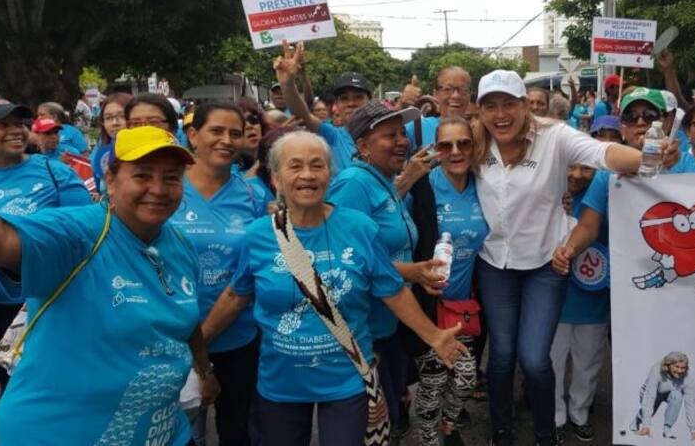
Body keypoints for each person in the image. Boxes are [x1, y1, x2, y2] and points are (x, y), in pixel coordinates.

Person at [200, 131, 466, 446]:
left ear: (329, 174)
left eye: (317, 165)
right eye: (295, 166)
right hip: (281, 381)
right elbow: (235, 296)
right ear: (276, 178)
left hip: (347, 378)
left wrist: (434, 335)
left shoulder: (360, 228)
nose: (308, 175)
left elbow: (392, 291)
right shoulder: (258, 235)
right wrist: (196, 347)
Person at [472, 71, 677, 446]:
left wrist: (647, 156)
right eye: (490, 106)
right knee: (501, 355)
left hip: (546, 265)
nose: (500, 115)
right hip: (495, 264)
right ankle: (500, 433)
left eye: (508, 104)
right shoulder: (474, 142)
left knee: (534, 358)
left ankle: (546, 434)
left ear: (524, 107)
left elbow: (603, 153)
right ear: (480, 111)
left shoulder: (555, 137)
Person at [0, 126, 219, 445]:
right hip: (61, 433)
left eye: (171, 177)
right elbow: (1, 241)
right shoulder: (78, 233)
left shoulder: (179, 243)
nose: (158, 189)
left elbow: (186, 317)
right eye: (142, 175)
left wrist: (204, 370)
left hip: (162, 432)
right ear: (110, 180)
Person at [326, 100, 450, 433]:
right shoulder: (353, 184)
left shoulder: (381, 181)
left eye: (401, 133)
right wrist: (413, 272)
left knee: (388, 416)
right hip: (364, 329)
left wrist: (415, 273)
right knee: (368, 424)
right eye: (389, 135)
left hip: (388, 322)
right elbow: (347, 261)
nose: (401, 141)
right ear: (363, 145)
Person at [170, 102, 264, 446]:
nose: (226, 140)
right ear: (193, 135)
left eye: (235, 133)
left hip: (237, 337)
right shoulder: (167, 188)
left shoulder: (254, 196)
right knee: (174, 430)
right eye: (216, 131)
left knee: (236, 427)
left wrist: (202, 342)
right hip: (170, 337)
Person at [0, 102, 92, 412]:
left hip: (41, 303)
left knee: (32, 389)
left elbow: (83, 234)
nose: (15, 130)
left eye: (20, 123)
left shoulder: (55, 172)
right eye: (2, 124)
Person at [410, 116, 489, 446]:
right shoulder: (423, 186)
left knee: (466, 376)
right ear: (436, 149)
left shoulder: (483, 183)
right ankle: (429, 437)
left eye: (464, 143)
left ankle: (448, 424)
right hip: (426, 303)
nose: (456, 151)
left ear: (474, 146)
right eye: (446, 145)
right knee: (434, 380)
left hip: (462, 305)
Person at [551, 163, 608, 443]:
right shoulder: (548, 193)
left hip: (594, 296)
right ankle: (555, 415)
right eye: (570, 167)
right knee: (553, 360)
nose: (576, 175)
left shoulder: (608, 195)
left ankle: (580, 413)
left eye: (586, 169)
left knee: (589, 360)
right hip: (554, 297)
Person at [276, 41, 371, 174]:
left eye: (358, 97)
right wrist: (287, 85)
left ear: (370, 101)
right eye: (344, 98)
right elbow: (303, 117)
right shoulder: (333, 136)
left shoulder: (385, 134)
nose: (351, 103)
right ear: (336, 106)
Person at [629, 352, 695, 441]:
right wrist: (646, 426)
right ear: (668, 365)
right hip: (649, 393)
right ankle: (637, 420)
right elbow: (649, 397)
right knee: (650, 411)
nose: (679, 371)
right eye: (676, 367)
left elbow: (690, 404)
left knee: (677, 396)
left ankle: (667, 429)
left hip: (669, 394)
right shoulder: (656, 370)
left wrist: (694, 431)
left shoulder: (687, 378)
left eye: (683, 368)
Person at [406, 67, 473, 151]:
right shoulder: (416, 128)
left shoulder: (478, 132)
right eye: (447, 89)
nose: (456, 96)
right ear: (435, 94)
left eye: (463, 89)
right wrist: (400, 106)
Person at [91, 92, 133, 197]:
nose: (115, 123)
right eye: (108, 118)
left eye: (122, 116)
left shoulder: (149, 147)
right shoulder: (101, 147)